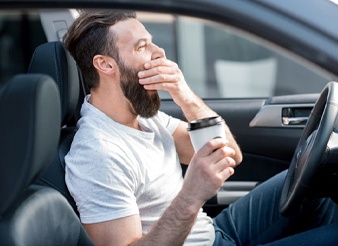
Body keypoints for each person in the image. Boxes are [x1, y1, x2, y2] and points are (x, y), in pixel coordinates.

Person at [64, 10, 338, 245]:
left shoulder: (143, 115)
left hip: (215, 232)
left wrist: (183, 94)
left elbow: (229, 153)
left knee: (316, 188)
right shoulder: (97, 153)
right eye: (141, 47)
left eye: (152, 43)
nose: (159, 53)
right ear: (105, 64)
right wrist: (192, 195)